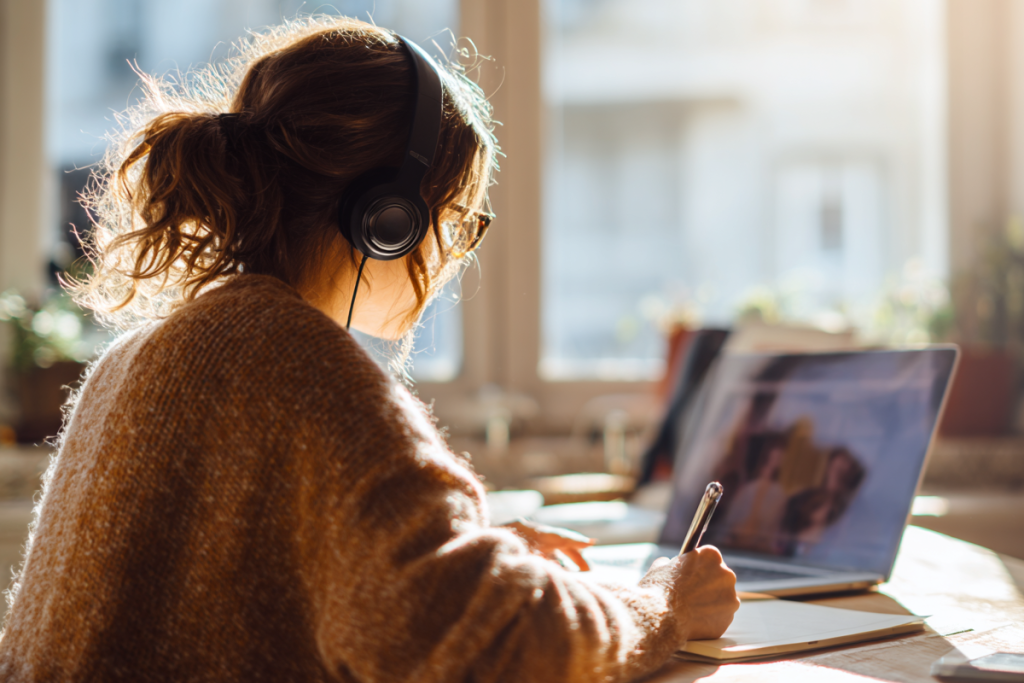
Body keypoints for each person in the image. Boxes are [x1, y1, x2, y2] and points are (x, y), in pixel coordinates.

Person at [0, 16, 738, 682]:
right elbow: (496, 646)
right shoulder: (299, 364)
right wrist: (658, 604)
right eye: (458, 222)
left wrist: (455, 552)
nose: (453, 259)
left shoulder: (143, 353)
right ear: (389, 218)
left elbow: (230, 587)